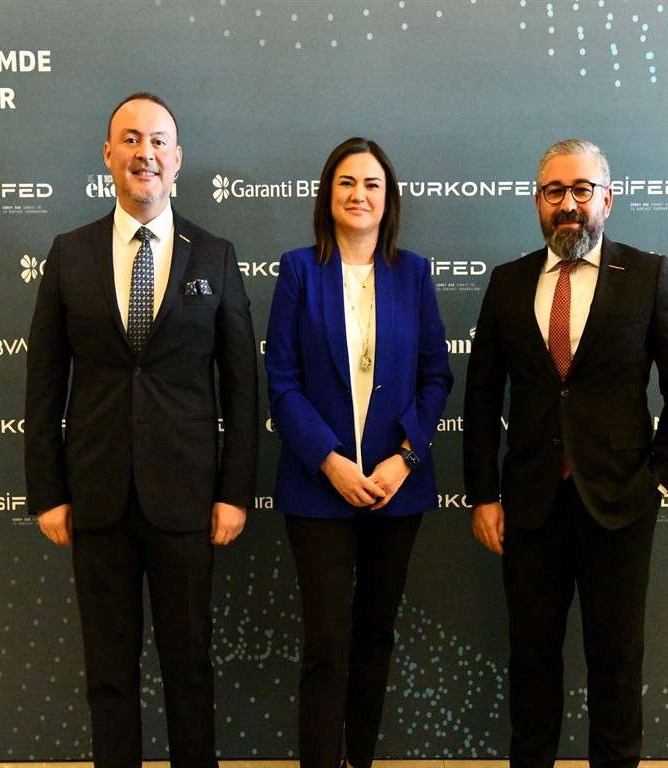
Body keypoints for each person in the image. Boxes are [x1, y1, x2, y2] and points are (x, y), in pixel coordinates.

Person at [24, 92, 258, 768]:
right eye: (130, 139)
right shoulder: (69, 253)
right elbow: (43, 384)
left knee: (190, 669)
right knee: (108, 674)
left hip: (187, 500)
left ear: (177, 159)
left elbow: (242, 388)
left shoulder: (214, 256)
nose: (144, 153)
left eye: (157, 141)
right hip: (95, 498)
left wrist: (234, 493)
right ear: (108, 154)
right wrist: (48, 492)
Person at [464, 138, 668, 768]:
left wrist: (659, 481)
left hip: (621, 505)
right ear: (538, 202)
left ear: (607, 199)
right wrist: (484, 495)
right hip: (529, 508)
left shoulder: (648, 276)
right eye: (555, 192)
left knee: (617, 663)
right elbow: (482, 397)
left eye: (581, 190)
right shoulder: (508, 282)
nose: (568, 204)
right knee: (531, 662)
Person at [265, 137, 453, 768]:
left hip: (396, 489)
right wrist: (331, 461)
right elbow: (282, 381)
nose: (359, 194)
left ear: (388, 198)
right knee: (326, 643)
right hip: (318, 487)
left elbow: (435, 377)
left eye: (372, 184)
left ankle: (359, 760)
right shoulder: (299, 270)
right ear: (328, 195)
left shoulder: (413, 273)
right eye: (346, 182)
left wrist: (405, 458)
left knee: (375, 635)